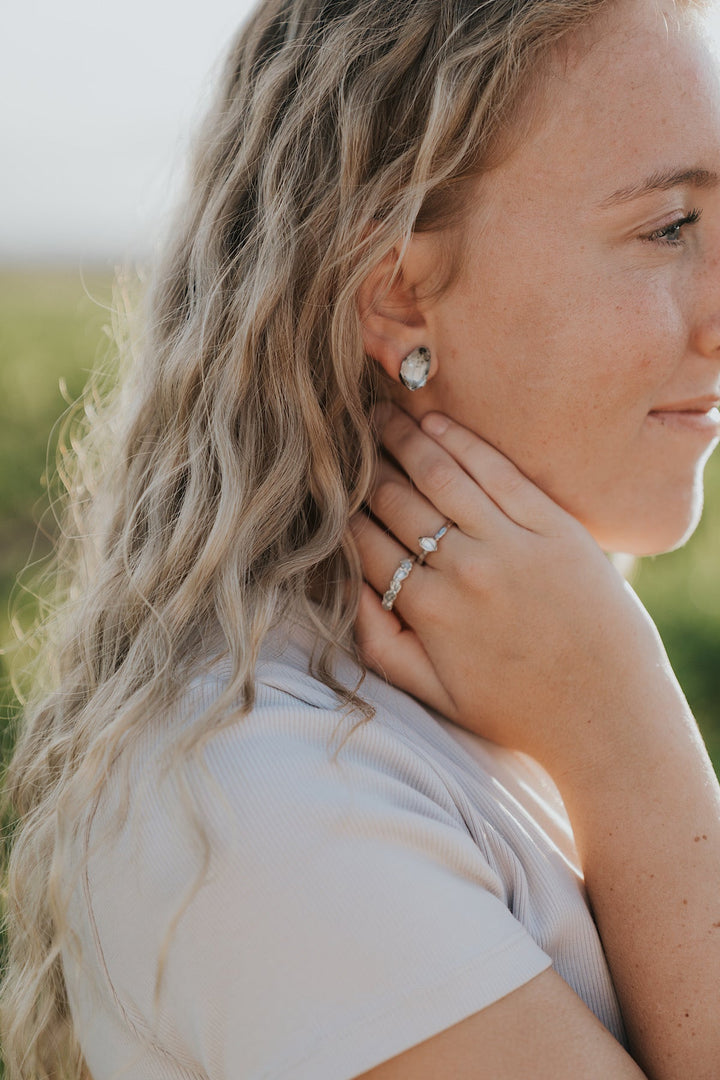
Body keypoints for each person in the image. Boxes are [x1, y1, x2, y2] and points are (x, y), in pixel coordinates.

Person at [2, 0, 720, 1076]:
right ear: (396, 298)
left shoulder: (465, 716)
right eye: (671, 228)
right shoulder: (259, 797)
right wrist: (629, 742)